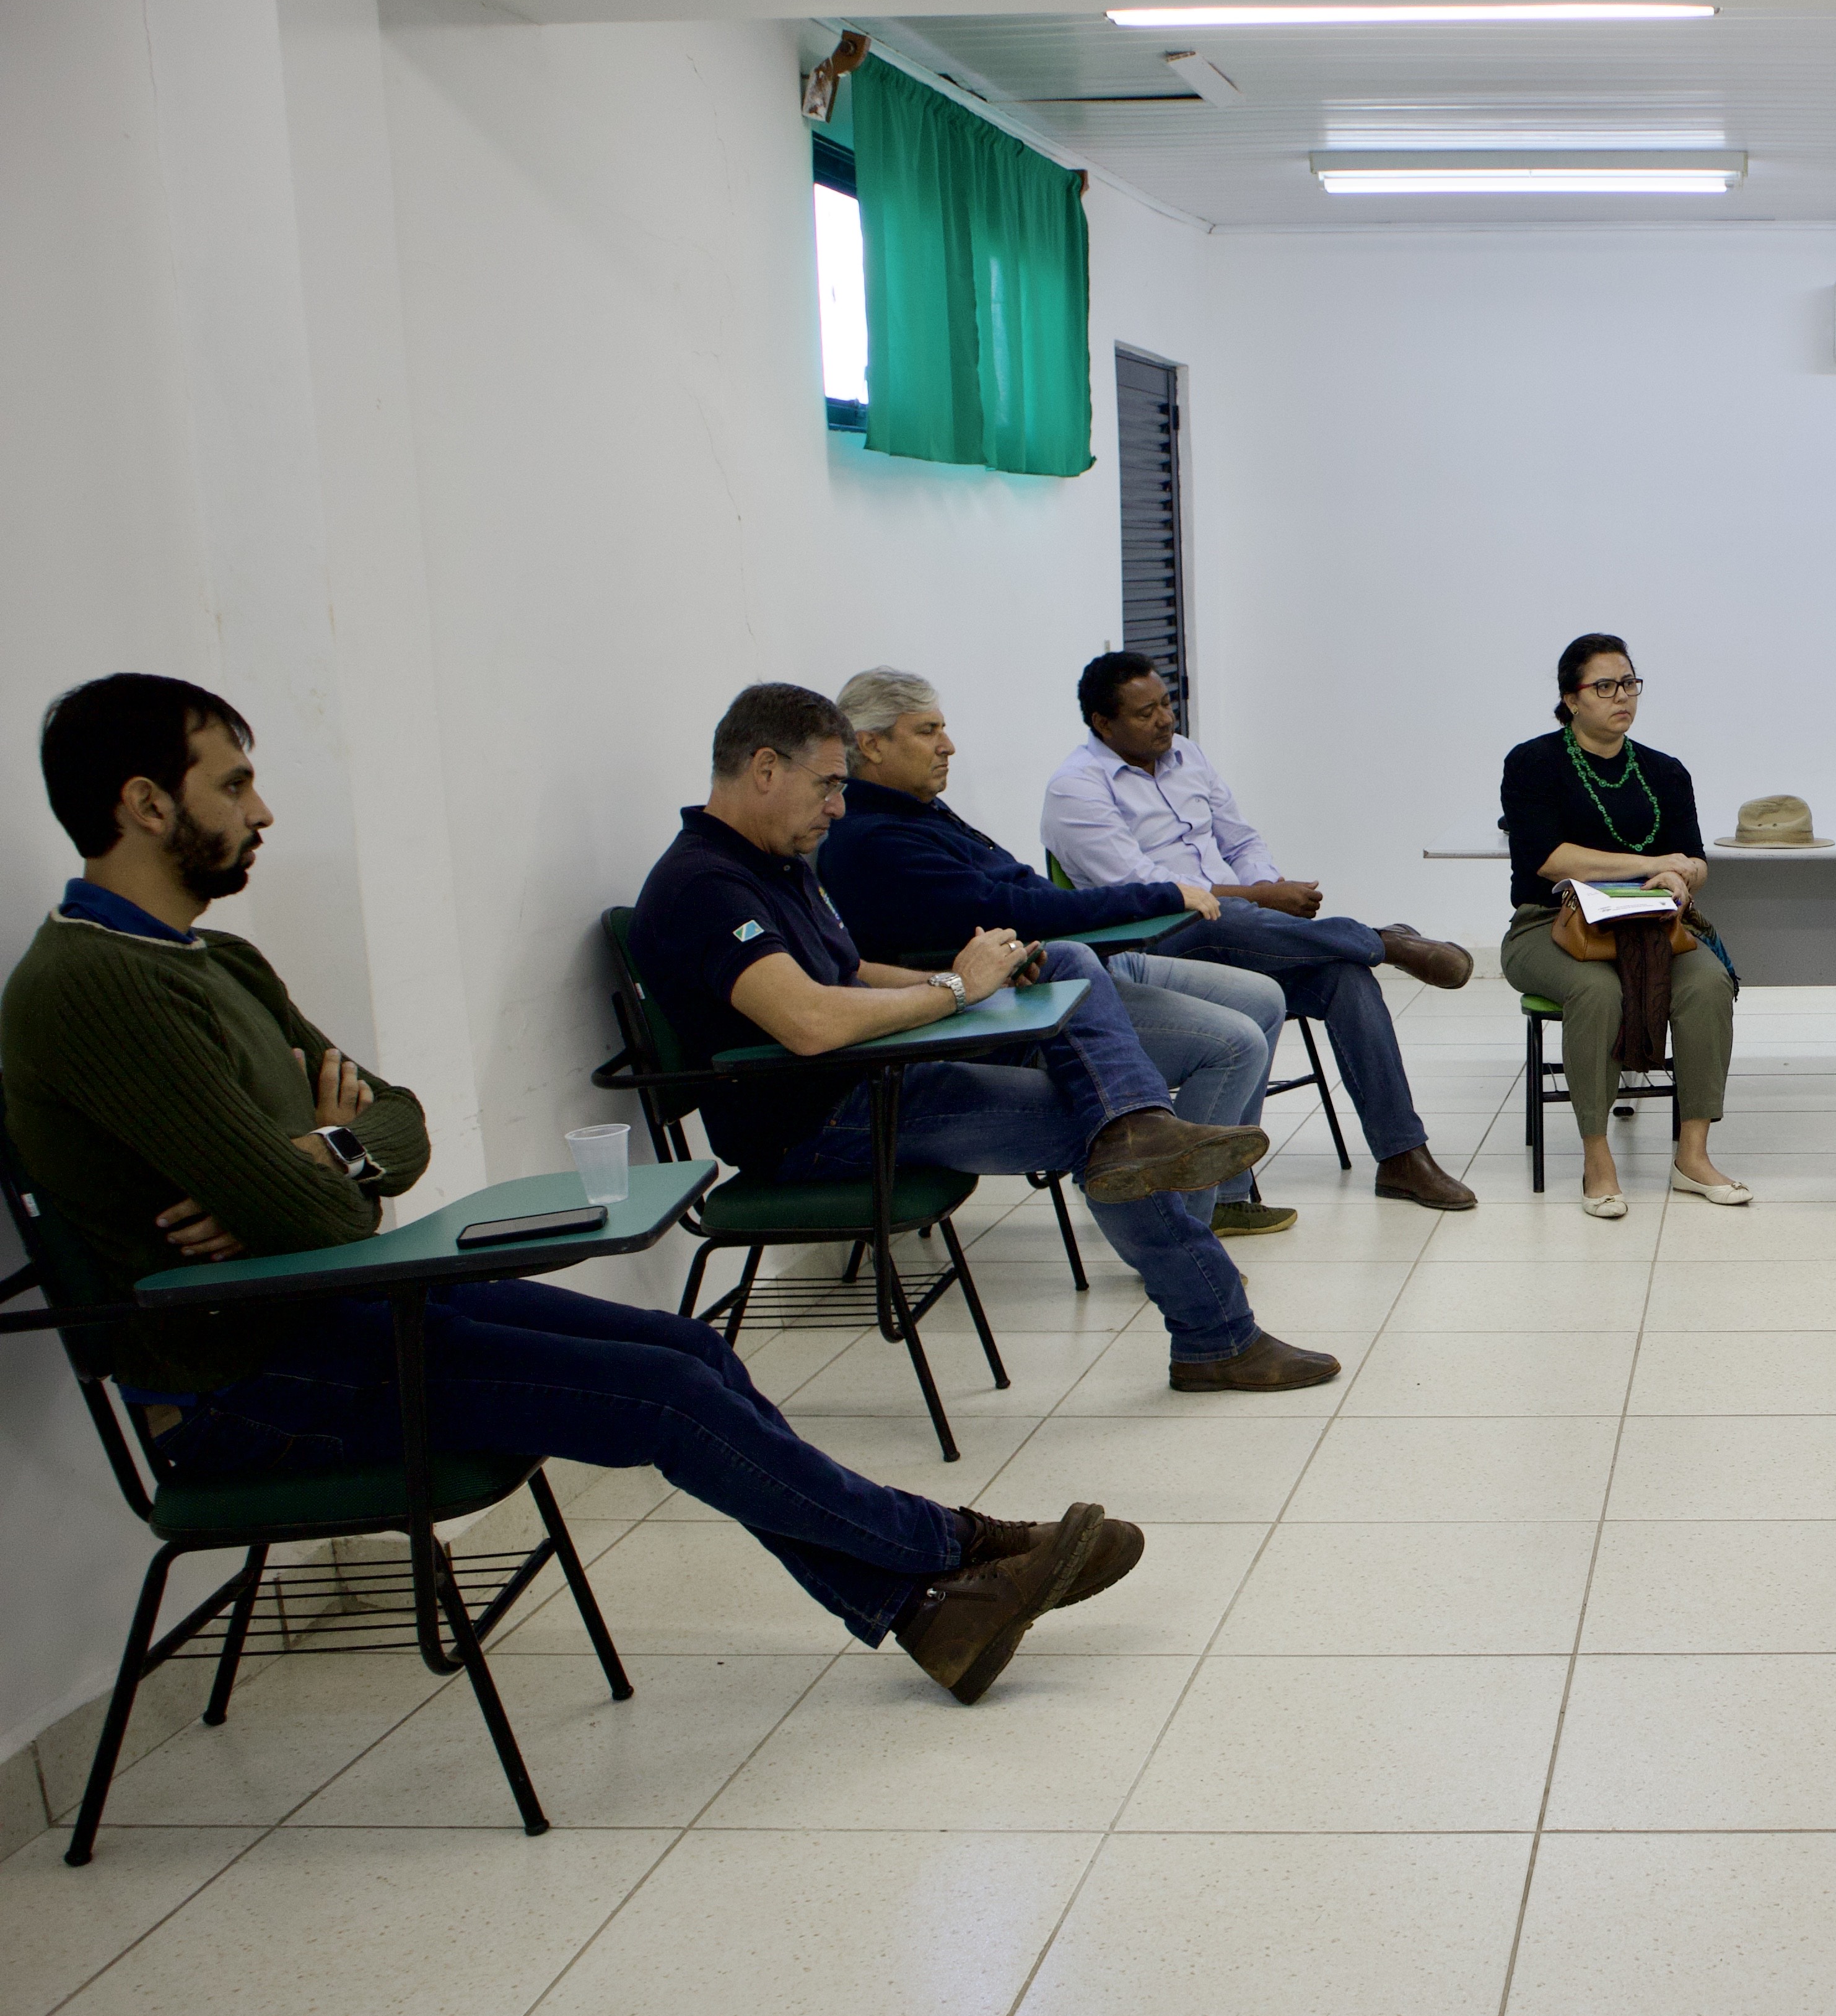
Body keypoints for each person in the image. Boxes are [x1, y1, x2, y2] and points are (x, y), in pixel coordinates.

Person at [0, 674, 1141, 1704]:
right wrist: (321, 1165)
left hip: (332, 1309)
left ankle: (928, 1610)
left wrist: (323, 1157)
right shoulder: (96, 986)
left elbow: (398, 1123)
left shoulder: (220, 962)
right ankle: (950, 1554)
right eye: (235, 783)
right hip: (239, 1386)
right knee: (664, 1401)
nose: (263, 812)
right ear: (148, 806)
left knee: (687, 1354)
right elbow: (322, 1207)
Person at [634, 683, 1339, 1393]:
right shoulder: (705, 886)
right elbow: (810, 1022)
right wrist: (955, 990)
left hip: (870, 1080)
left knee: (1061, 961)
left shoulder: (771, 862)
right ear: (764, 769)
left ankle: (1139, 1125)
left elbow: (848, 971)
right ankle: (1215, 1331)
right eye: (827, 786)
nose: (838, 807)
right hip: (815, 1122)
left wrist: (979, 974)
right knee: (1094, 1129)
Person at [816, 667, 1297, 1237]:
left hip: (1071, 958)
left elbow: (1025, 895)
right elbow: (1014, 909)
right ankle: (1186, 1228)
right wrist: (1161, 894)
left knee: (1265, 995)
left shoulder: (917, 811)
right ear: (870, 745)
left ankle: (1222, 1197)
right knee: (1232, 1041)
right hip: (1020, 997)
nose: (948, 746)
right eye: (927, 731)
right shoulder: (875, 839)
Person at [1041, 651, 1479, 1212]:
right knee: (1219, 914)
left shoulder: (1186, 757)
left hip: (1239, 933)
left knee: (1345, 977)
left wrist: (1269, 890)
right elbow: (1144, 892)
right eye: (1146, 712)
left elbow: (1240, 841)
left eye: (1167, 704)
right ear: (1103, 724)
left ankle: (1401, 1158)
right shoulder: (1076, 789)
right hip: (1154, 947)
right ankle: (1384, 941)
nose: (1166, 720)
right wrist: (1259, 900)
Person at [1495, 634, 1746, 1217]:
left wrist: (1683, 878)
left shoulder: (1665, 770)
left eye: (1629, 683)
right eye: (1604, 686)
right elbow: (1552, 859)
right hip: (1550, 926)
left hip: (1651, 928)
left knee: (1709, 985)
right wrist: (1651, 865)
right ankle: (1596, 1153)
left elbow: (1694, 859)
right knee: (1597, 990)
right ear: (1570, 698)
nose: (1622, 697)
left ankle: (1693, 1154)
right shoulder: (1533, 762)